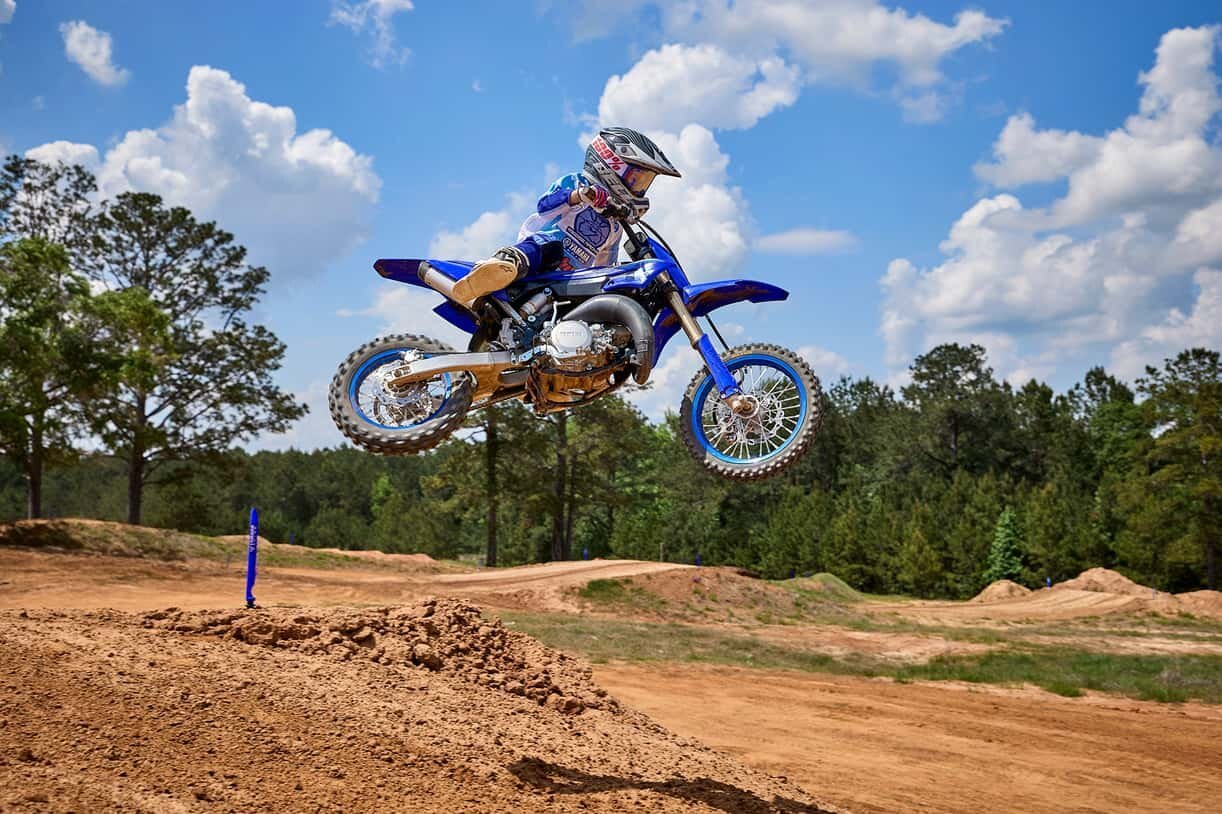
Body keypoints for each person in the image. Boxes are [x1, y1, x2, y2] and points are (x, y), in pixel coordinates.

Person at [450, 126, 682, 308]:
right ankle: (503, 264)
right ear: (612, 164)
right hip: (544, 252)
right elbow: (544, 205)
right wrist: (578, 195)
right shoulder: (576, 182)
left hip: (569, 278)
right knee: (550, 248)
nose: (640, 188)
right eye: (636, 179)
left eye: (644, 183)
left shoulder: (615, 225)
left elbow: (605, 264)